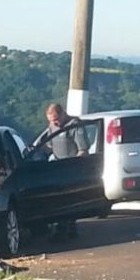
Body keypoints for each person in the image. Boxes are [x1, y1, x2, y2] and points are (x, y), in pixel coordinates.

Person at [32, 103, 89, 240]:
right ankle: (60, 227)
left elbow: (83, 150)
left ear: (63, 114)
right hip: (56, 167)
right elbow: (43, 144)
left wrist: (75, 166)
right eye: (51, 121)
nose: (54, 123)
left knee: (70, 200)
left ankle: (68, 228)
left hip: (71, 167)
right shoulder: (52, 127)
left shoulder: (75, 125)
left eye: (56, 120)